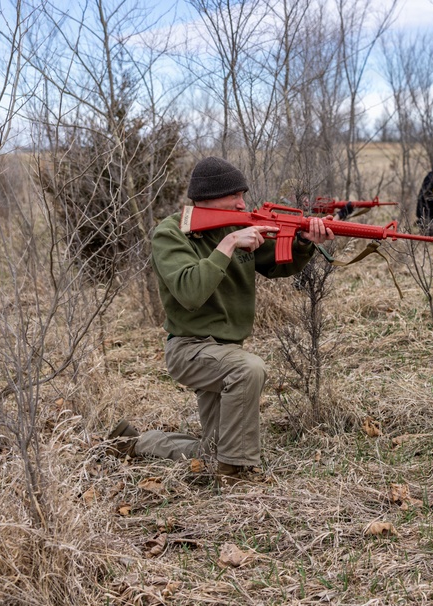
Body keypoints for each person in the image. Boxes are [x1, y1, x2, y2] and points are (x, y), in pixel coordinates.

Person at [108, 156, 334, 486]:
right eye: (235, 196)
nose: (243, 203)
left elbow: (276, 264)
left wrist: (303, 242)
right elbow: (190, 291)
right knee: (249, 369)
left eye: (243, 195)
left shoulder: (237, 225)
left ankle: (134, 443)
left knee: (214, 449)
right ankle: (236, 474)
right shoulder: (171, 234)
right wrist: (227, 246)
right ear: (208, 198)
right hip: (188, 350)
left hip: (226, 350)